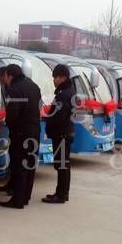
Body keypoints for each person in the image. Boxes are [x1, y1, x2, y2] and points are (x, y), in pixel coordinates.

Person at [1, 64, 41, 209]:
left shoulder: (14, 89)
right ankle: (25, 197)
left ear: (10, 75)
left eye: (5, 77)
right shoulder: (34, 86)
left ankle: (17, 200)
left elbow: (12, 114)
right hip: (35, 131)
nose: (5, 80)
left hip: (21, 133)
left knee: (19, 166)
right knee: (30, 165)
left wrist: (9, 125)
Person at [42, 64, 75, 204]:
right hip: (66, 132)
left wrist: (48, 119)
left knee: (62, 165)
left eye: (55, 77)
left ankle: (61, 195)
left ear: (63, 78)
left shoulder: (63, 94)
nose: (53, 80)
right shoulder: (69, 91)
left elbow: (59, 116)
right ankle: (62, 193)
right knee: (63, 164)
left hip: (61, 134)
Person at [0, 66, 13, 195]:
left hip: (13, 127)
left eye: (2, 77)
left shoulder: (13, 89)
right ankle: (10, 183)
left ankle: (13, 186)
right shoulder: (3, 87)